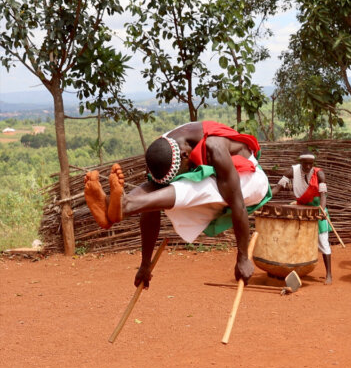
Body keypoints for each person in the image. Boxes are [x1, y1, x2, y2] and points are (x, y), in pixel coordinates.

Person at [84, 121, 270, 287]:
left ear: (184, 155)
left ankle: (125, 204)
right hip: (217, 179)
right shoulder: (163, 146)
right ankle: (115, 212)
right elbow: (151, 208)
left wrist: (243, 258)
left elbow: (238, 204)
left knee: (194, 185)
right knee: (166, 185)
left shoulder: (215, 148)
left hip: (250, 179)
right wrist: (145, 264)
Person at [272, 153, 334, 284]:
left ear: (313, 163)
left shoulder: (319, 174)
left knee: (323, 242)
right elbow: (278, 187)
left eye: (310, 164)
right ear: (300, 162)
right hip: (301, 209)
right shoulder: (291, 171)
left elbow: (323, 194)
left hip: (317, 210)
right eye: (304, 163)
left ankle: (329, 274)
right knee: (294, 240)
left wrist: (322, 210)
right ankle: (287, 271)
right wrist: (264, 198)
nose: (307, 166)